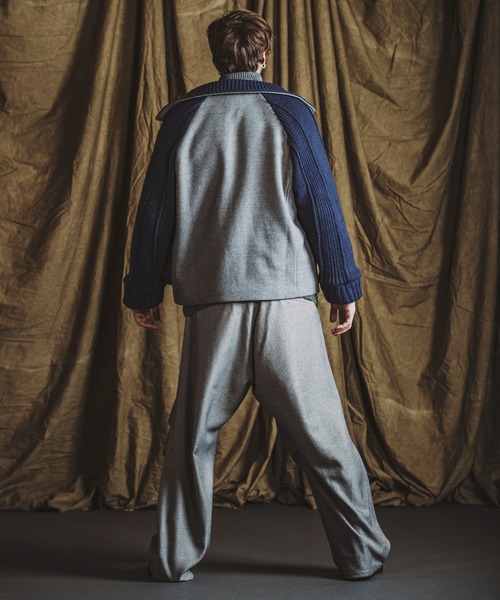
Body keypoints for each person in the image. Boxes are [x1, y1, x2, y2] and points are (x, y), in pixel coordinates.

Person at [123, 8, 390, 583]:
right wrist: (342, 286)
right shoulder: (292, 112)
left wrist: (142, 289)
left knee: (192, 441)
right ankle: (363, 555)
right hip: (285, 301)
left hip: (213, 304)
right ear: (263, 55)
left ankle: (172, 560)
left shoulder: (181, 118)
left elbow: (155, 213)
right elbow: (321, 204)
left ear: (216, 56)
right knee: (325, 439)